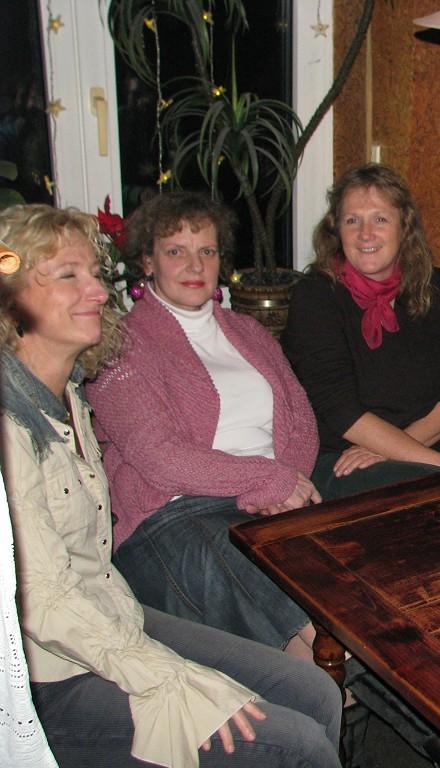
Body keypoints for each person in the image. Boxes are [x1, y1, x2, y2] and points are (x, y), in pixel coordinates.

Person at [0, 204, 342, 767]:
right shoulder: (15, 423)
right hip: (53, 671)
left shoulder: (69, 400)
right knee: (297, 741)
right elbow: (44, 598)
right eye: (68, 275)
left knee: (317, 693)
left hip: (112, 608)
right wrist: (164, 672)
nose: (98, 291)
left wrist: (282, 483)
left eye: (94, 274)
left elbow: (300, 416)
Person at [86, 192, 322, 660]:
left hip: (271, 502)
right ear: (147, 262)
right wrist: (269, 479)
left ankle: (342, 690)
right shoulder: (119, 346)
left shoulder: (250, 332)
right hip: (176, 515)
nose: (194, 265)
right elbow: (159, 457)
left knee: (339, 580)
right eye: (176, 251)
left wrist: (286, 486)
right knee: (297, 597)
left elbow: (302, 420)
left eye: (207, 251)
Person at [282, 164, 440, 499]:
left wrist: (399, 448)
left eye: (380, 219)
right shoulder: (315, 296)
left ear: (405, 226)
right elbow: (338, 407)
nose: (365, 233)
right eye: (352, 220)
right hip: (341, 460)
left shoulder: (433, 286)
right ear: (336, 230)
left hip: (420, 447)